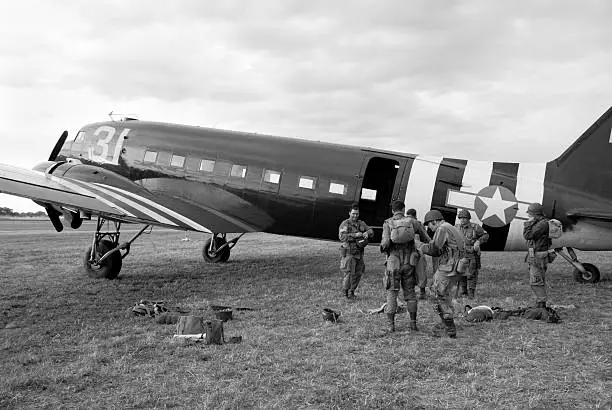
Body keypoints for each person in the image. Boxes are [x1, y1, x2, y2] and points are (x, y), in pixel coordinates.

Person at [380, 201, 430, 332]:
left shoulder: (388, 223)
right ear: (403, 209)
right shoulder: (413, 222)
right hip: (409, 262)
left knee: (392, 293)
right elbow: (426, 239)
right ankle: (413, 324)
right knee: (410, 294)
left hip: (393, 263)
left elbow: (385, 243)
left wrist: (384, 249)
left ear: (393, 211)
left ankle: (391, 326)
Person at [418, 209, 466, 338]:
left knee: (437, 294)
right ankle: (445, 322)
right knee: (444, 294)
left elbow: (435, 249)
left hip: (449, 267)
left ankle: (449, 327)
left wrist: (420, 246)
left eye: (430, 226)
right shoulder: (452, 227)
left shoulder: (442, 228)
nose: (431, 229)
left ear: (434, 221)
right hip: (457, 267)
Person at [338, 203, 373, 299]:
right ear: (349, 213)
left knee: (358, 273)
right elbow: (342, 237)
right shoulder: (345, 224)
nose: (355, 215)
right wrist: (355, 235)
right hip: (349, 253)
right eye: (353, 213)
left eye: (357, 214)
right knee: (348, 274)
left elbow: (371, 231)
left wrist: (367, 233)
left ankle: (352, 292)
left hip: (359, 254)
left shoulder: (361, 223)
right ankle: (345, 293)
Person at [522, 202, 551, 308]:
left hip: (538, 256)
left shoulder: (542, 224)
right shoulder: (540, 222)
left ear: (535, 214)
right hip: (535, 255)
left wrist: (527, 224)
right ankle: (540, 302)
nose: (528, 216)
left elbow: (528, 235)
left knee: (536, 280)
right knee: (538, 279)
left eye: (530, 214)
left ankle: (541, 304)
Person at [455, 209, 489, 299]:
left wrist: (478, 242)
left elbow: (485, 235)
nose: (462, 220)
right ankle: (464, 292)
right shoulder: (456, 227)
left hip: (472, 254)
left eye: (464, 218)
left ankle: (471, 294)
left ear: (468, 219)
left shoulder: (475, 227)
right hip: (461, 254)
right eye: (460, 218)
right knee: (461, 273)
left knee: (471, 274)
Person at [406, 208, 431, 300]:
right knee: (420, 270)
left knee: (407, 271)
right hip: (417, 249)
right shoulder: (417, 223)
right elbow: (425, 237)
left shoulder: (401, 222)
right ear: (415, 215)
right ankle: (422, 292)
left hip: (404, 250)